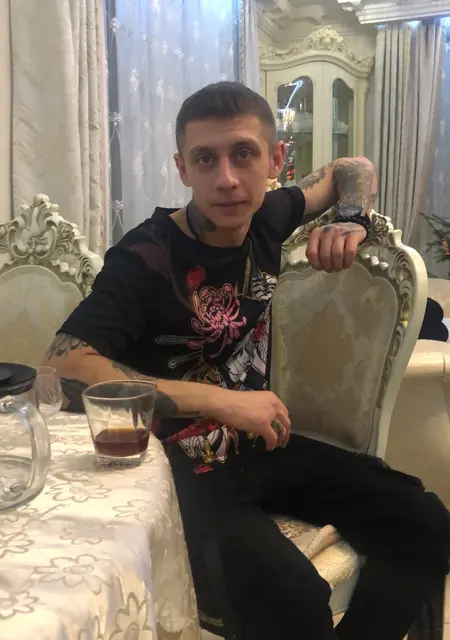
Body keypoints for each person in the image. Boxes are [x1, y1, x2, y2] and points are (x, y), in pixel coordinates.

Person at [44, 82, 449, 640]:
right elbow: (66, 362)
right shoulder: (145, 256)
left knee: (426, 524)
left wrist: (352, 216)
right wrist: (220, 401)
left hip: (260, 448)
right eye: (205, 159)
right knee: (294, 601)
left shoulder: (267, 217)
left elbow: (350, 166)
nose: (227, 179)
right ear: (182, 168)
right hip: (173, 474)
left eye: (243, 154)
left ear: (275, 161)